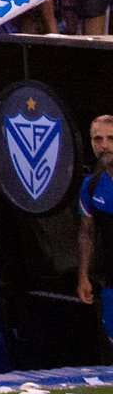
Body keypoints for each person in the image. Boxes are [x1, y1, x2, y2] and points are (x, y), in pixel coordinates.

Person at [77, 114, 113, 343]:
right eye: (97, 139)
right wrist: (83, 276)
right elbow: (86, 233)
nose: (104, 145)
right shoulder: (90, 185)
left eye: (111, 138)